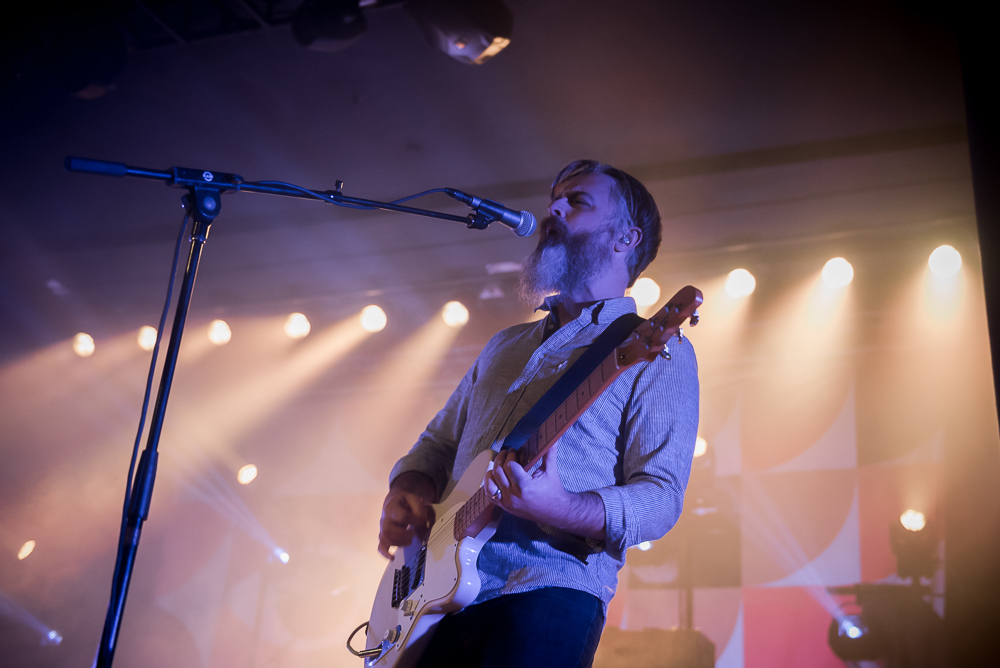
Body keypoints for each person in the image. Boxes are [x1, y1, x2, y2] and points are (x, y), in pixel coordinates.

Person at [377, 159, 700, 667]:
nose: (553, 207)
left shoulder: (658, 349)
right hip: (430, 602)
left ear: (626, 239)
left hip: (547, 590)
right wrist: (408, 489)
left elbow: (660, 498)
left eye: (577, 201)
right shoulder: (503, 346)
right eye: (555, 197)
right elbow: (436, 446)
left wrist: (562, 506)